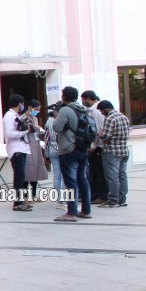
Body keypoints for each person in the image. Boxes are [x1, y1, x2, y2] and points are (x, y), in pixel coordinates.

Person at [49, 86, 92, 222]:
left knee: (69, 181)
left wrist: (57, 117)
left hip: (68, 148)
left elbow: (56, 127)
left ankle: (71, 212)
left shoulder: (66, 110)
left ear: (64, 97)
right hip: (82, 148)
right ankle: (86, 210)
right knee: (82, 179)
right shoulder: (83, 109)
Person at [96, 100, 131, 207]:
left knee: (112, 176)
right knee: (122, 175)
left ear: (106, 109)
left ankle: (113, 200)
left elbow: (105, 136)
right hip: (124, 150)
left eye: (101, 111)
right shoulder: (124, 117)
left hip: (112, 151)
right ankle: (122, 199)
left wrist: (99, 133)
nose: (101, 113)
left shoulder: (110, 118)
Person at [3, 94, 32, 211]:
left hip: (21, 148)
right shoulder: (9, 116)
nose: (23, 106)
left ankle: (21, 201)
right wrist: (24, 132)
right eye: (22, 104)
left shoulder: (15, 116)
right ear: (19, 103)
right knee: (19, 176)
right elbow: (9, 133)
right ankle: (17, 202)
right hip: (16, 150)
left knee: (21, 176)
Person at [81, 90, 108, 205]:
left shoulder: (96, 111)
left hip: (98, 147)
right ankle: (95, 195)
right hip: (97, 146)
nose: (82, 102)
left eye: (83, 99)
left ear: (88, 99)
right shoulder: (94, 109)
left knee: (99, 173)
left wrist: (93, 146)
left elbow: (97, 129)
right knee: (95, 172)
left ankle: (101, 196)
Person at [23, 98, 48, 195]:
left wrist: (38, 129)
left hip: (35, 144)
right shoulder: (22, 117)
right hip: (27, 145)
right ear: (30, 108)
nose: (37, 112)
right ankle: (24, 195)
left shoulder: (35, 118)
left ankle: (33, 194)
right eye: (36, 109)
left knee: (36, 168)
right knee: (27, 169)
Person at [44, 106, 62, 197]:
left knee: (56, 174)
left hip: (52, 150)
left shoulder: (48, 122)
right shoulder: (61, 121)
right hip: (62, 150)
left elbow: (46, 138)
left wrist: (46, 153)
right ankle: (66, 197)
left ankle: (59, 198)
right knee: (64, 175)